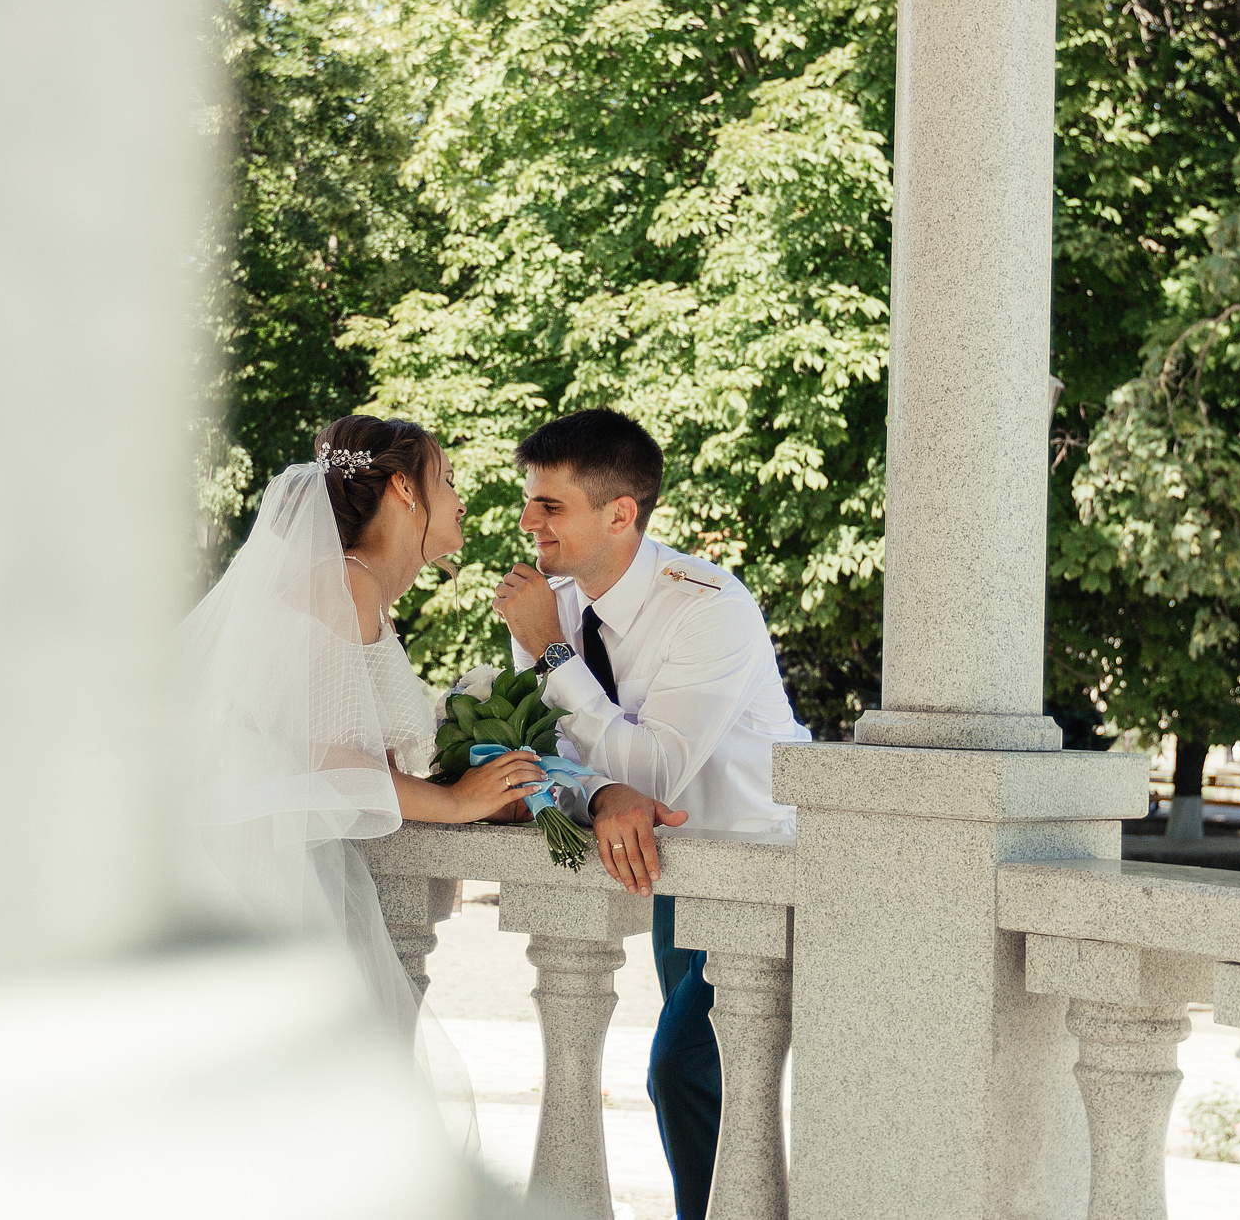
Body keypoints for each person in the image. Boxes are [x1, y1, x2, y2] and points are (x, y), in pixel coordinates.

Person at [180, 414, 543, 1146]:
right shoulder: (347, 585)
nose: (460, 496)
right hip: (270, 877)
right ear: (405, 490)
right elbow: (329, 762)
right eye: (447, 479)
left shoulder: (355, 586)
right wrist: (453, 800)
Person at [492, 408, 812, 1220]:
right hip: (670, 869)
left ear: (621, 512)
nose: (529, 521)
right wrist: (596, 793)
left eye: (550, 505)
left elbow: (660, 770)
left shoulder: (709, 604)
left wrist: (555, 656)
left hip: (756, 872)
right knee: (701, 1082)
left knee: (681, 1067)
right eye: (530, 501)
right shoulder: (553, 602)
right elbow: (536, 757)